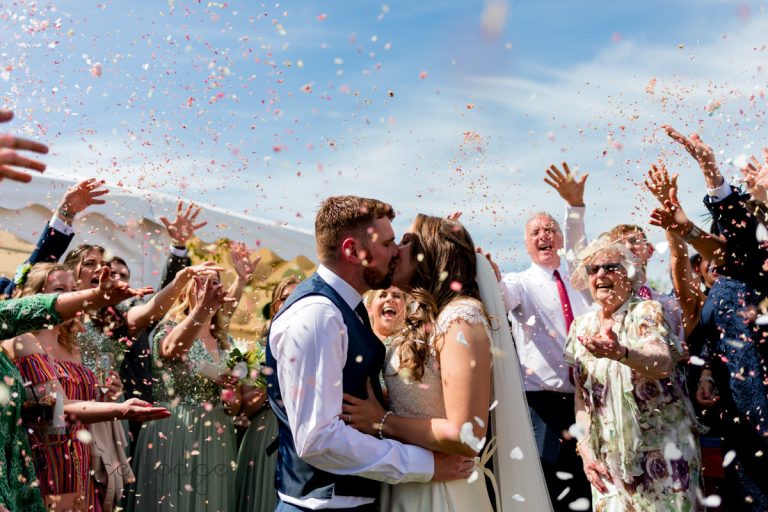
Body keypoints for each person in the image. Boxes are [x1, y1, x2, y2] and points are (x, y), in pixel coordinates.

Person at [265, 195, 474, 511]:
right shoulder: (319, 315)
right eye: (389, 243)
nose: (396, 253)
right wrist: (425, 465)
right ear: (352, 251)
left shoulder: (347, 307)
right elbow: (318, 439)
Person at [341, 214, 494, 511]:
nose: (396, 249)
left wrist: (383, 421)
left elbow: (468, 434)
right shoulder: (425, 320)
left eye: (407, 241)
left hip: (443, 492)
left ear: (433, 251)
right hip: (410, 481)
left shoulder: (460, 319)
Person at [4, 263, 169, 511]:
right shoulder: (22, 342)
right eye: (60, 290)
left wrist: (107, 392)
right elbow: (59, 407)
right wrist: (119, 409)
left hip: (83, 451)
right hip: (48, 457)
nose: (70, 296)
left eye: (73, 289)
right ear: (34, 298)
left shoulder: (75, 345)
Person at [564, 236, 702, 511]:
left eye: (610, 267)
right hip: (607, 461)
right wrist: (584, 449)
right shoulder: (580, 326)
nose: (601, 274)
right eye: (593, 269)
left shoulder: (647, 311)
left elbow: (662, 363)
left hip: (662, 454)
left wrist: (622, 353)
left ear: (629, 274)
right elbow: (582, 396)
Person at [497, 211, 592, 511]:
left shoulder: (581, 281)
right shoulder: (519, 282)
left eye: (550, 229)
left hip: (589, 400)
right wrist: (490, 274)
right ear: (527, 244)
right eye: (536, 232)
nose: (544, 236)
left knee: (587, 485)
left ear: (561, 240)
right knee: (550, 487)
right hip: (543, 405)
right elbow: (499, 299)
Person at [128, 271, 243, 512]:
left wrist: (231, 390)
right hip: (173, 430)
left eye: (214, 283)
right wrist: (201, 309)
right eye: (201, 282)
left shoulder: (226, 341)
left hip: (217, 434)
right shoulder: (168, 328)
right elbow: (173, 349)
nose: (207, 288)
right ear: (186, 289)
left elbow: (233, 407)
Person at [235, 276, 299, 512]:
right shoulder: (257, 351)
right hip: (264, 433)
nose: (292, 303)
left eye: (297, 297)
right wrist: (271, 381)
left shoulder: (315, 346)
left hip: (298, 436)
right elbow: (245, 407)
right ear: (275, 305)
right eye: (285, 298)